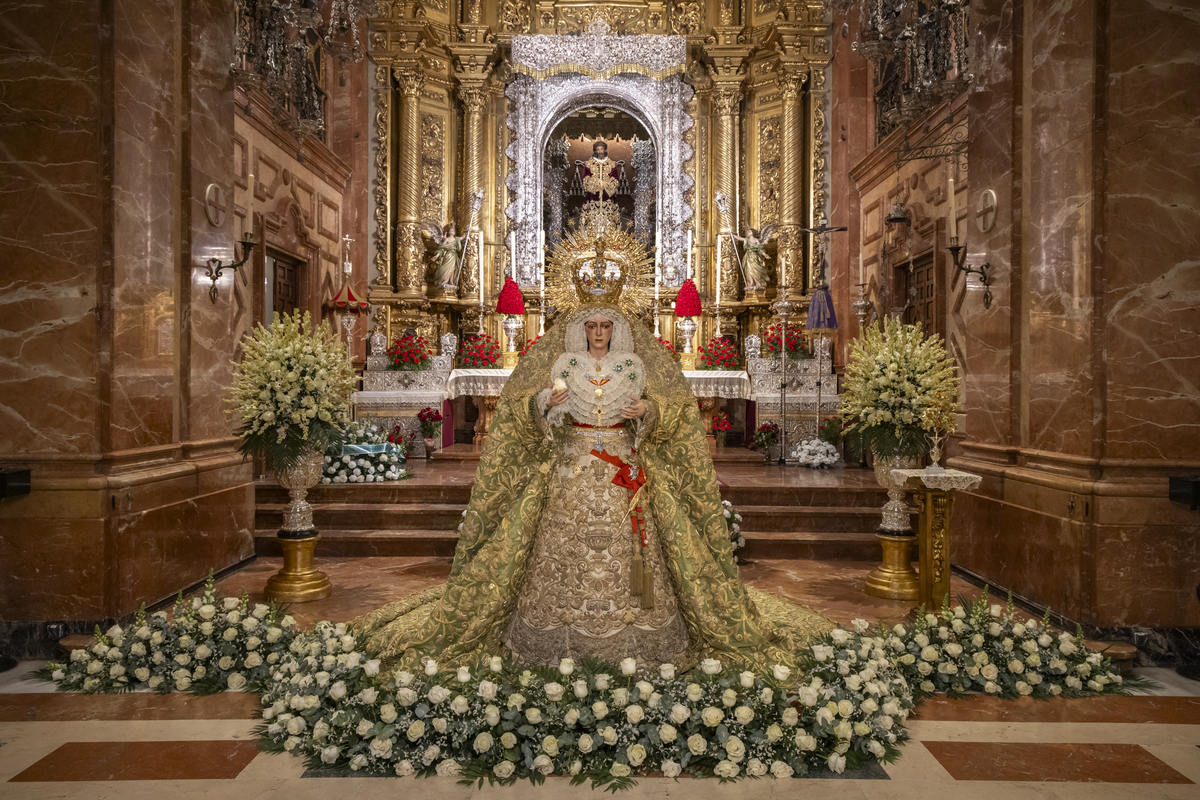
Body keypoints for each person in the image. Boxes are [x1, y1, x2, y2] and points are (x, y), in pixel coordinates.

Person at [354, 244, 829, 671]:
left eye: (606, 325)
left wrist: (649, 411)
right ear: (580, 328)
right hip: (571, 464)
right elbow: (528, 406)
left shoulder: (635, 365)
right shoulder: (563, 364)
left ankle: (640, 631)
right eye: (592, 325)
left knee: (634, 546)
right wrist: (545, 404)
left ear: (616, 329)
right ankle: (555, 629)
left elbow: (674, 413)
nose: (599, 332)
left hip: (624, 467)